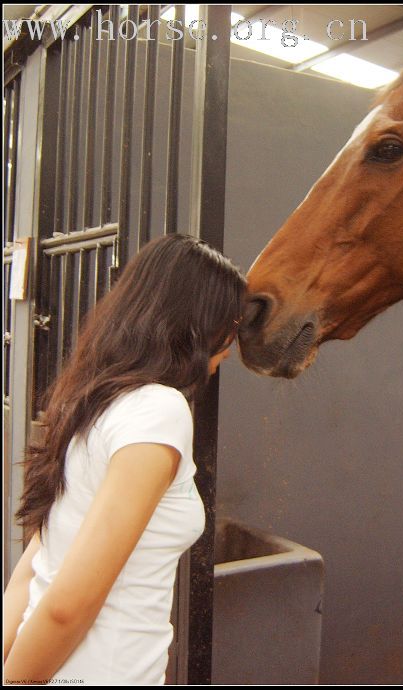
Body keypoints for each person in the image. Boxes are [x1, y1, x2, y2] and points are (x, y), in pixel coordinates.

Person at [3, 233, 247, 685]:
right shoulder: (159, 410)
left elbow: (33, 571)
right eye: (228, 319)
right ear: (194, 322)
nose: (233, 340)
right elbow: (67, 605)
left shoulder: (90, 403)